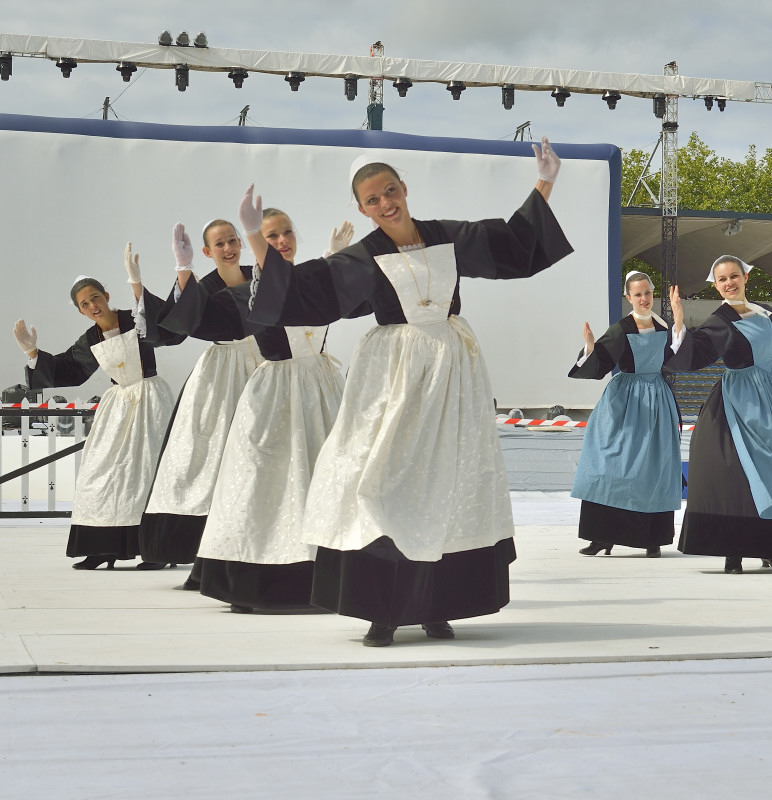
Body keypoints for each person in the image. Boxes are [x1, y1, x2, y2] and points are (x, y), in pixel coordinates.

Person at [242, 137, 573, 645]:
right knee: (382, 477)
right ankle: (383, 609)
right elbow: (307, 293)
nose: (384, 204)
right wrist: (255, 239)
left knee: (446, 480)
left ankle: (438, 604)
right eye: (372, 200)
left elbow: (513, 243)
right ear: (360, 208)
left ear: (403, 188)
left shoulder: (447, 236)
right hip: (393, 376)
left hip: (451, 373)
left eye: (389, 191)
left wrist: (545, 182)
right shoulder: (363, 257)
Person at [161, 211, 349, 613]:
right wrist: (184, 270)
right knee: (266, 485)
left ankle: (328, 578)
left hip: (323, 391)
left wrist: (336, 263)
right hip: (276, 395)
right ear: (256, 242)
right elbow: (198, 321)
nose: (281, 241)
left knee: (325, 481)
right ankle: (260, 579)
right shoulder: (247, 293)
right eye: (270, 236)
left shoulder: (313, 277)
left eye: (286, 233)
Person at [12, 251, 178, 569]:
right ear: (81, 311)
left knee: (146, 472)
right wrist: (33, 352)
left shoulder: (136, 319)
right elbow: (70, 369)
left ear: (106, 295)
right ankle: (102, 547)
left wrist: (139, 283)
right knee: (100, 472)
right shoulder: (91, 338)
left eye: (95, 297)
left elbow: (169, 332)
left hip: (150, 401)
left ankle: (158, 550)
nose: (92, 306)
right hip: (118, 405)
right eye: (85, 304)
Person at [668, 254, 772, 574]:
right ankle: (734, 551)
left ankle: (771, 549)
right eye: (722, 279)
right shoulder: (720, 320)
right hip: (740, 401)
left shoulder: (764, 312)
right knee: (741, 475)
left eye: (734, 276)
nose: (729, 283)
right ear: (715, 285)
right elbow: (696, 354)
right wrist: (679, 321)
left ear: (746, 277)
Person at [139, 220, 263, 583]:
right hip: (222, 375)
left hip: (263, 366)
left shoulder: (259, 276)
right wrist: (183, 270)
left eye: (232, 240)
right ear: (207, 251)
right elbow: (173, 331)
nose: (228, 248)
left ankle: (253, 552)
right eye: (219, 244)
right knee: (209, 463)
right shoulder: (204, 287)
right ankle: (202, 561)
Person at [569, 272, 685, 558]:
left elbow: (678, 357)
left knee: (652, 469)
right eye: (637, 294)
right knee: (609, 464)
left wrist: (680, 323)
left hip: (656, 400)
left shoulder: (663, 326)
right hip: (624, 402)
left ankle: (651, 538)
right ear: (628, 298)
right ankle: (601, 537)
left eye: (647, 293)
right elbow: (601, 364)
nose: (644, 299)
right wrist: (589, 348)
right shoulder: (621, 329)